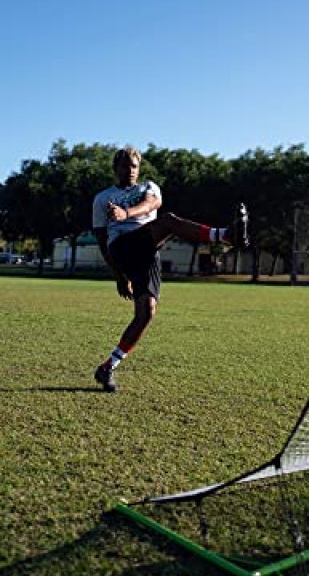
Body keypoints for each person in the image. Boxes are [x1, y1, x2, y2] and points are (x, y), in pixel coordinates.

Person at [92, 146, 249, 392]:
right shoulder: (102, 199)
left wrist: (126, 213)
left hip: (147, 251)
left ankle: (107, 367)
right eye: (125, 166)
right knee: (168, 222)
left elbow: (153, 203)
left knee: (146, 312)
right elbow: (102, 240)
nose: (130, 171)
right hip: (122, 248)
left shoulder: (149, 187)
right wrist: (118, 276)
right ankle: (226, 235)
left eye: (134, 166)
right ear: (115, 169)